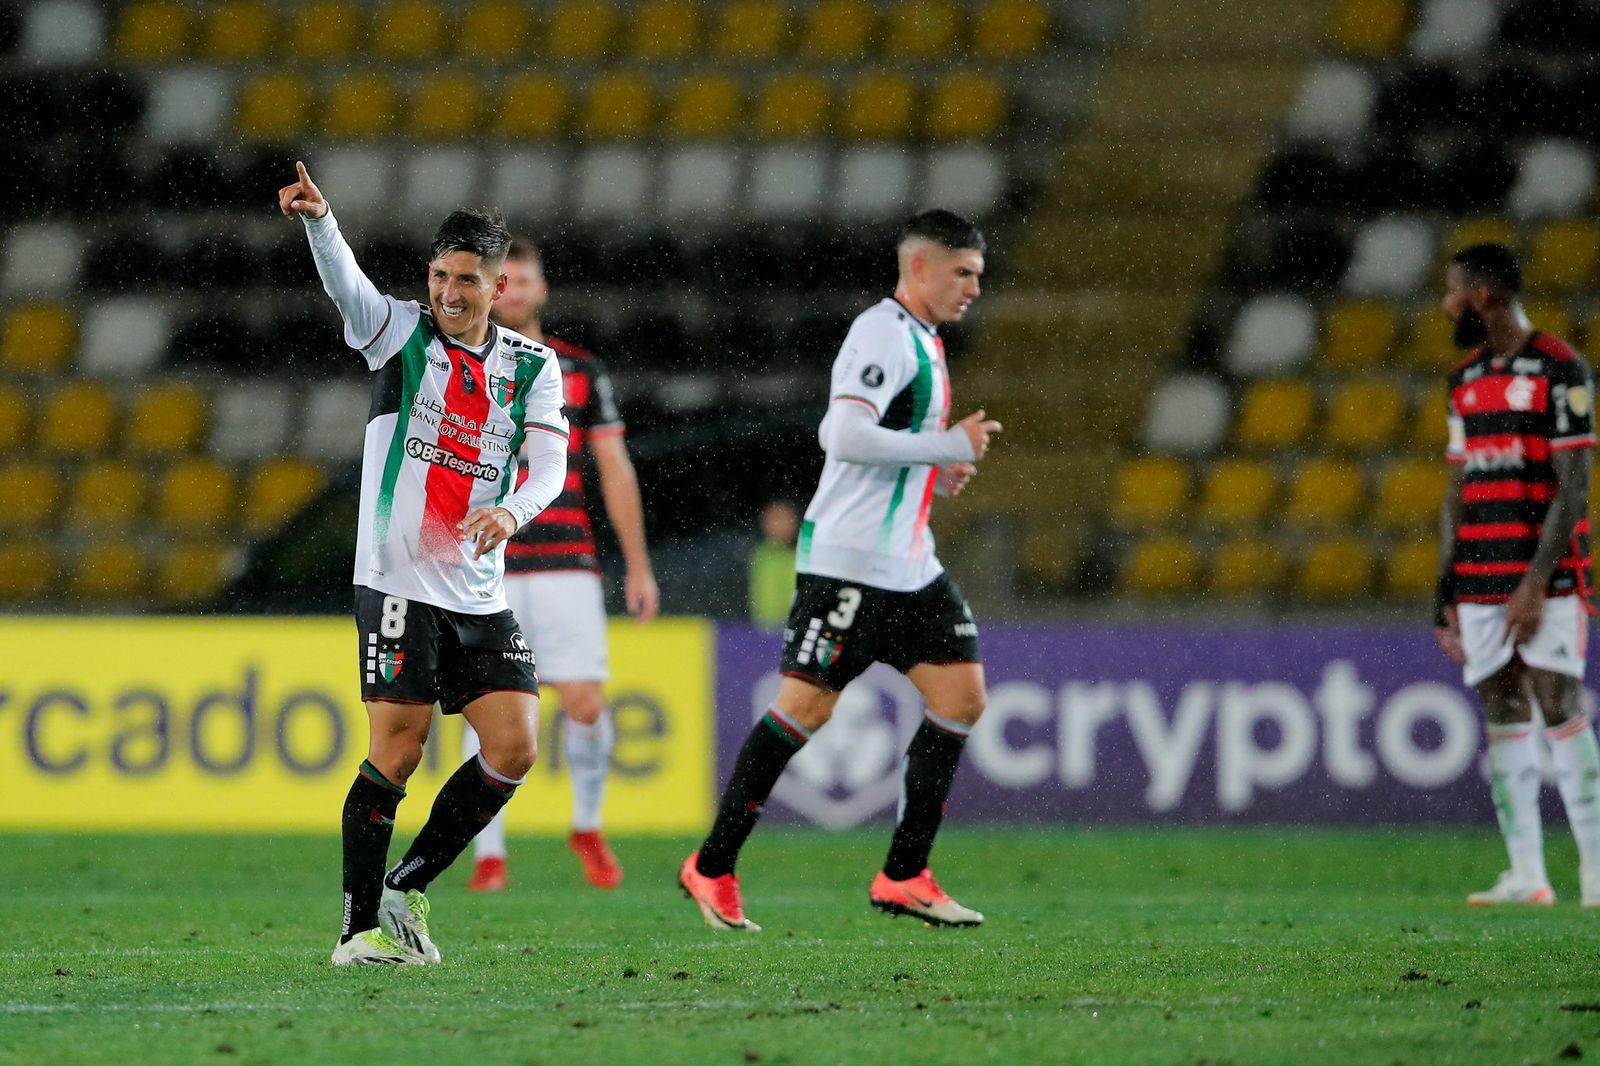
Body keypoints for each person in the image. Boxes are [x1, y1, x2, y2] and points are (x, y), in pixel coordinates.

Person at [278, 162, 570, 966]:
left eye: (466, 280)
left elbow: (549, 465)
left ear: (498, 284)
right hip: (398, 581)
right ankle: (354, 932)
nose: (448, 292)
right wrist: (319, 223)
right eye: (439, 275)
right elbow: (349, 289)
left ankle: (408, 887)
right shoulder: (399, 334)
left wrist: (511, 511)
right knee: (397, 752)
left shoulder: (532, 368)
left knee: (515, 746)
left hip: (479, 590)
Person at [678, 209, 1001, 931]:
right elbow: (844, 433)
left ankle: (905, 874)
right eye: (963, 273)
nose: (974, 288)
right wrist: (945, 443)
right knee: (806, 710)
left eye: (978, 275)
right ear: (920, 267)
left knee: (961, 696)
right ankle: (713, 863)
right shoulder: (882, 333)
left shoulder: (925, 340)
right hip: (850, 564)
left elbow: (895, 445)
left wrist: (937, 466)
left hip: (909, 564)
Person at [460, 239, 659, 893]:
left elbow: (615, 468)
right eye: (503, 280)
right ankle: (489, 853)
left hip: (567, 560)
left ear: (542, 290)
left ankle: (588, 825)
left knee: (584, 701)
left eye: (525, 280)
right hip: (487, 563)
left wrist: (637, 565)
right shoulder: (458, 367)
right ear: (490, 291)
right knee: (490, 709)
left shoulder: (578, 369)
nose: (514, 290)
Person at [1433, 242, 1600, 908]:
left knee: (1560, 704)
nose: (1445, 304)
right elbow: (1456, 490)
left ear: (1481, 295)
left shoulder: (1562, 369)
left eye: (1452, 292)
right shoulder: (1464, 380)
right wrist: (1443, 590)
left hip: (1547, 579)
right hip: (1478, 576)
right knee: (1501, 711)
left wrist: (1535, 580)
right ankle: (1528, 874)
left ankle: (1595, 873)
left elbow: (1577, 485)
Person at [748, 499, 799, 631]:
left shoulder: (802, 551)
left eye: (782, 520)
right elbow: (765, 595)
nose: (778, 526)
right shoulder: (764, 555)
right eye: (773, 521)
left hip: (796, 623)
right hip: (771, 626)